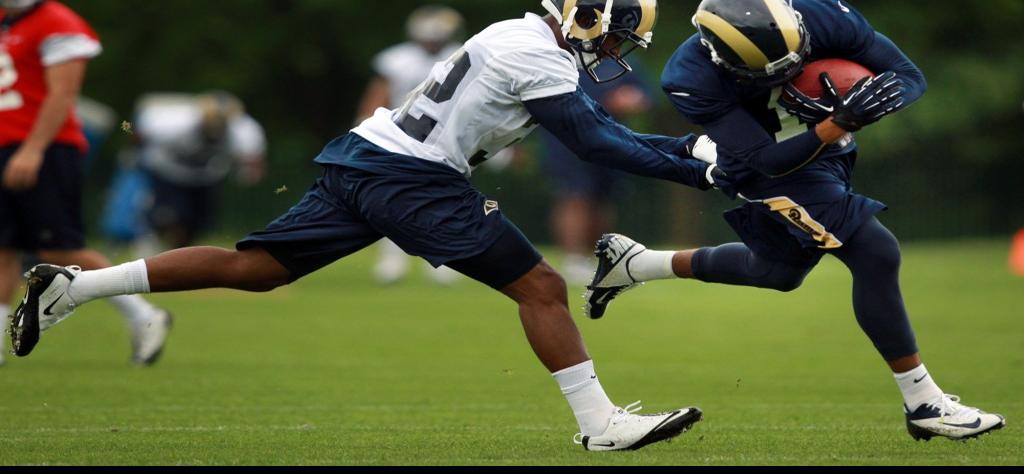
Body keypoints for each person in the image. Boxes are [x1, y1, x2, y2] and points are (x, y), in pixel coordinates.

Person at [10, 0, 720, 451]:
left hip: (370, 155)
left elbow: (596, 130)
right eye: (621, 34)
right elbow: (596, 143)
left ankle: (75, 288)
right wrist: (700, 169)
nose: (618, 51)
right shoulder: (534, 52)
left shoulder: (521, 34)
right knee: (539, 284)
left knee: (257, 270)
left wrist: (692, 154)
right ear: (591, 17)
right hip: (410, 174)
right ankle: (599, 426)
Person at [584, 0, 1005, 441]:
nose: (788, 72)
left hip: (832, 151)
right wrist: (834, 121)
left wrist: (867, 106)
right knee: (875, 252)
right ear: (721, 56)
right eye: (770, 71)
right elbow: (766, 161)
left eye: (796, 59)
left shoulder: (822, 14)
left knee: (778, 272)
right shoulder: (690, 76)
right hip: (769, 167)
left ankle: (635, 264)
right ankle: (925, 404)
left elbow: (910, 76)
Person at [0, 0, 171, 366]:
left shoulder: (57, 22)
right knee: (2, 249)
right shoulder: (7, 22)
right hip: (5, 146)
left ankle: (144, 315)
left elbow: (63, 94)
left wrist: (33, 149)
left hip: (44, 148)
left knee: (60, 250)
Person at [354, 5, 464, 286]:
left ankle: (441, 259)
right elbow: (377, 97)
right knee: (393, 199)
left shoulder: (461, 54)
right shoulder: (397, 59)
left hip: (444, 137)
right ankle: (392, 260)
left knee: (443, 197)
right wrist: (364, 129)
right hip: (399, 135)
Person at [540, 58, 654, 286]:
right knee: (575, 196)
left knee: (604, 199)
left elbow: (645, 95)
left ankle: (598, 259)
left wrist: (633, 99)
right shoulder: (566, 59)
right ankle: (574, 260)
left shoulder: (622, 61)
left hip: (611, 139)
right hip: (569, 139)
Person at [131, 91, 267, 253]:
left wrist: (248, 172)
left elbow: (253, 159)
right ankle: (150, 231)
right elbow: (139, 135)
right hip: (169, 170)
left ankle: (179, 254)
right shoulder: (173, 123)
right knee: (168, 216)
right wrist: (136, 156)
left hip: (206, 174)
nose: (216, 127)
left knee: (197, 223)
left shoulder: (243, 131)